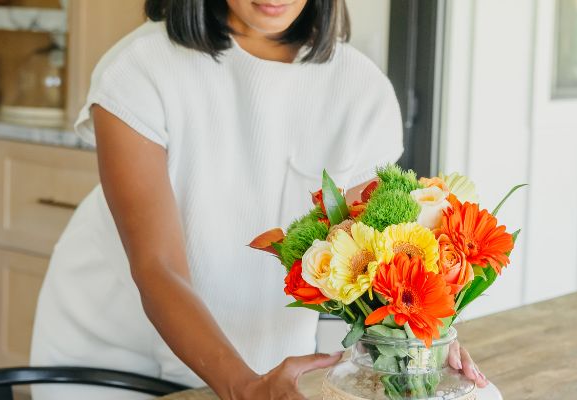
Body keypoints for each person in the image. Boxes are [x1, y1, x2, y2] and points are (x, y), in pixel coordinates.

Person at [30, 0, 489, 398]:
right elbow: (157, 266)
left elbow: (368, 266)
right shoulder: (137, 69)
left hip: (261, 360)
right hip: (114, 356)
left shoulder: (362, 90)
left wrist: (418, 341)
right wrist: (242, 385)